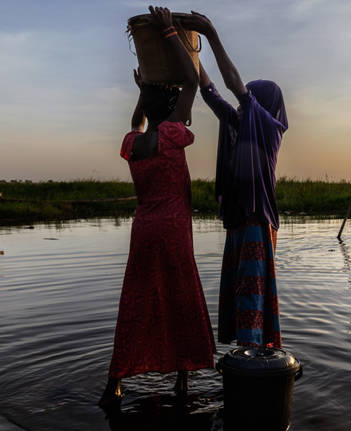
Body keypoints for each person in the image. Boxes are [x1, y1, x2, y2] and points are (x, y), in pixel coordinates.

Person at [99, 6, 215, 408]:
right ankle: (183, 381)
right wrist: (169, 32)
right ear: (170, 107)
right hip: (172, 230)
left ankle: (115, 381)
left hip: (143, 231)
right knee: (180, 298)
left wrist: (140, 92)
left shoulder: (134, 144)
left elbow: (136, 123)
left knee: (136, 300)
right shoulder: (171, 134)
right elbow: (191, 81)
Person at [185, 11, 285, 348]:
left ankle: (254, 357)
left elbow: (232, 86)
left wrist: (211, 34)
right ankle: (247, 353)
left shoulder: (269, 128)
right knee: (239, 288)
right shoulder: (240, 122)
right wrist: (190, 50)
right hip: (240, 219)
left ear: (263, 106)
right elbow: (211, 92)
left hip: (258, 220)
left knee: (251, 292)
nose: (242, 107)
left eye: (250, 102)